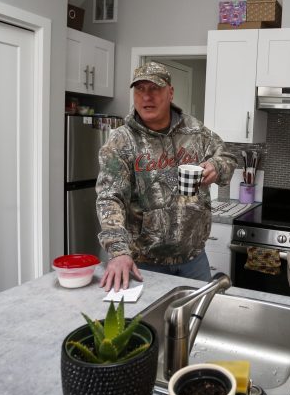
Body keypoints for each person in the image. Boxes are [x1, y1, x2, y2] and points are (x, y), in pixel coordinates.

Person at [96, 61, 237, 291]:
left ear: (170, 93)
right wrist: (118, 251)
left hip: (194, 259)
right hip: (144, 263)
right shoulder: (121, 141)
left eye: (154, 88)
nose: (146, 96)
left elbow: (228, 157)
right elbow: (110, 198)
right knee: (148, 314)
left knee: (197, 313)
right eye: (140, 89)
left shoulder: (196, 131)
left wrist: (217, 166)